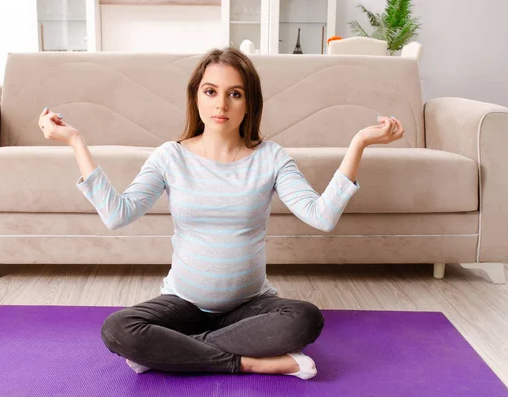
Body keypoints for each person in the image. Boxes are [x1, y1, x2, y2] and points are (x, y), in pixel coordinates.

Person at [38, 47, 404, 380]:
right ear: (196, 96)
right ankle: (249, 362)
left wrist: (359, 144)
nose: (222, 105)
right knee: (118, 329)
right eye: (211, 91)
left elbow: (321, 216)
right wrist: (75, 142)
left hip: (251, 305)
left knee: (305, 319)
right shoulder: (171, 156)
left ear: (249, 103)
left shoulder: (271, 157)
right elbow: (117, 214)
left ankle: (174, 351)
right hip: (183, 303)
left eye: (235, 94)